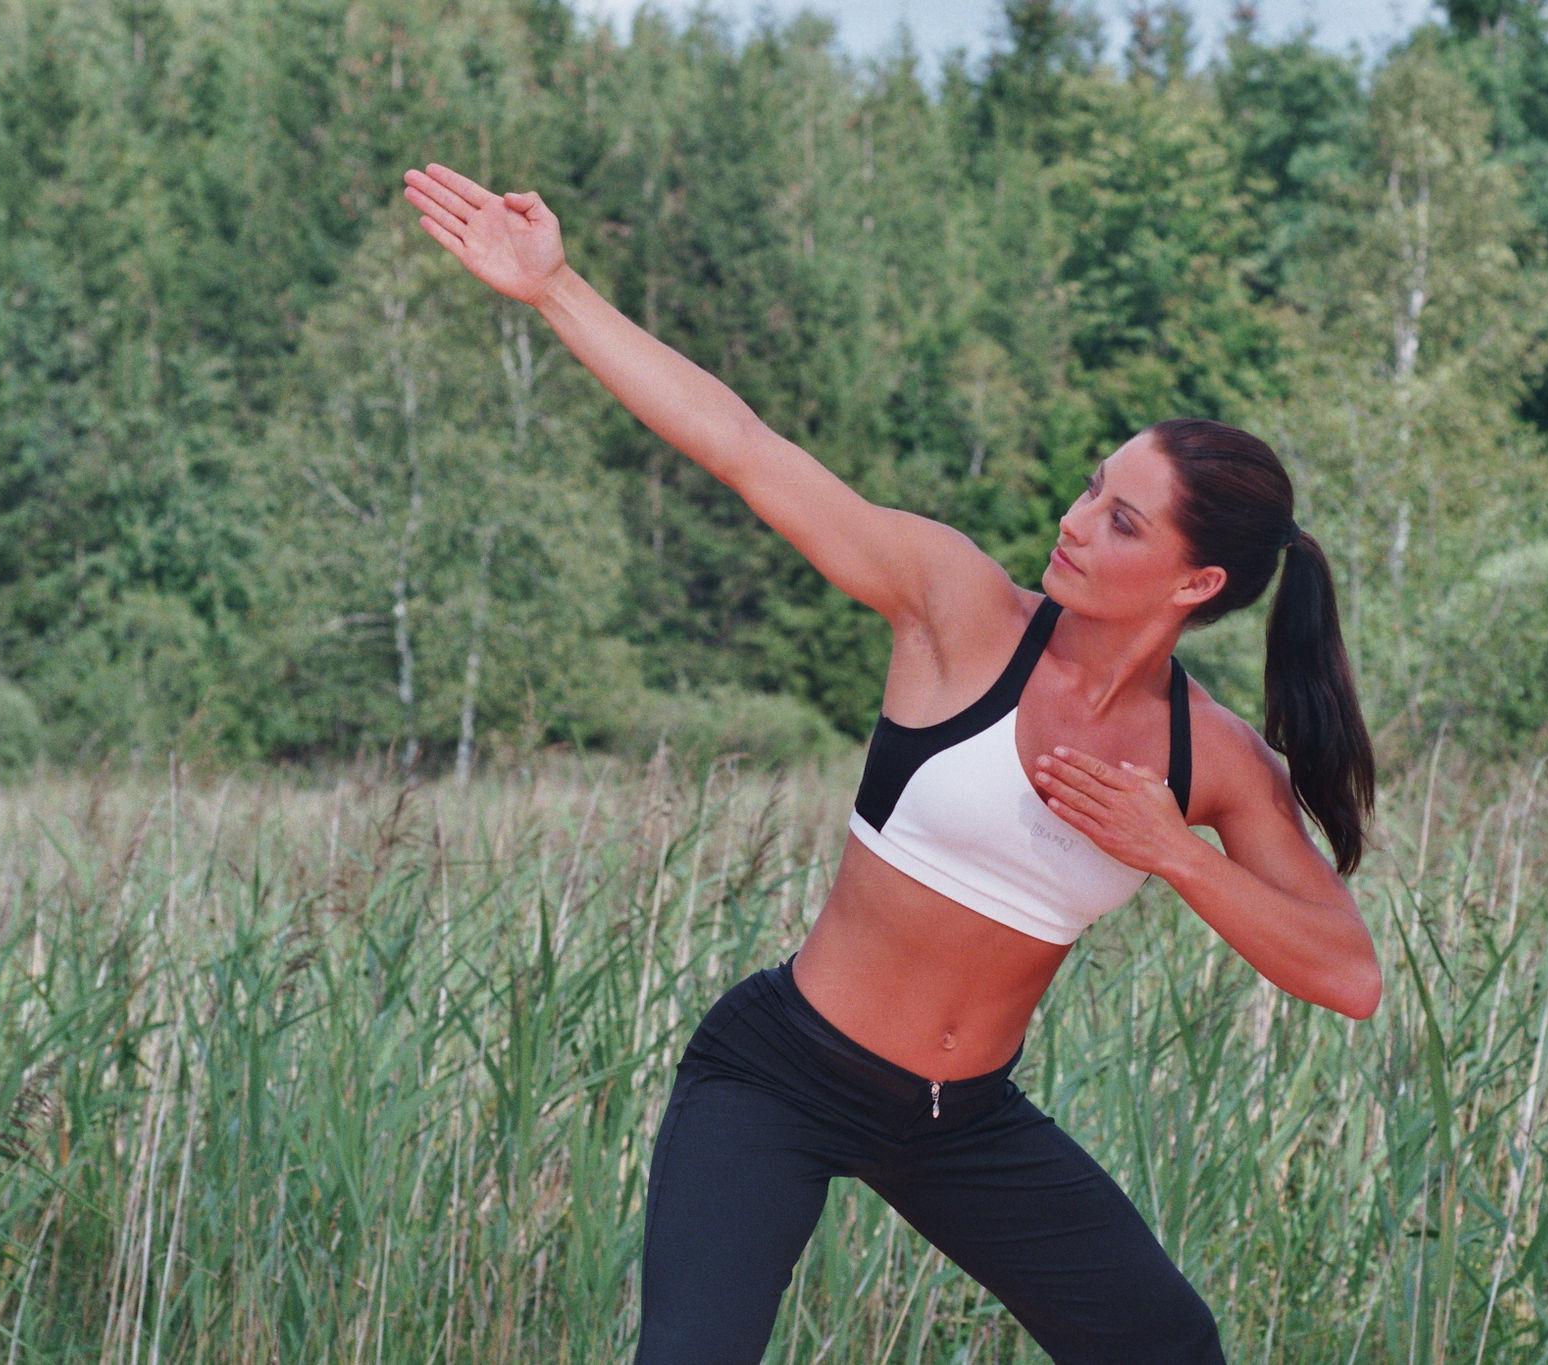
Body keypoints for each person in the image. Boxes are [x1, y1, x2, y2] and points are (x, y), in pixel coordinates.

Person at [402, 162, 1382, 1364]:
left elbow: (1347, 975)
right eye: (1090, 488)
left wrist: (1177, 858)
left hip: (958, 1123)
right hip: (777, 1075)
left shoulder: (1212, 758)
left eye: (1121, 520)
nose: (1074, 521)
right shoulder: (955, 609)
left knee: (1166, 1346)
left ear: (1195, 584)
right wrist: (555, 290)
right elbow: (746, 449)